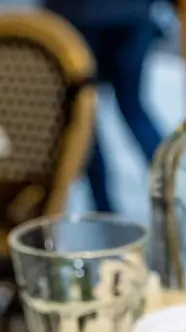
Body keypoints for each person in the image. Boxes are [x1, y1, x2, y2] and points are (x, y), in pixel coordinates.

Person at [43, 0, 163, 213]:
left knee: (84, 114)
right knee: (132, 109)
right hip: (129, 13)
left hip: (79, 16)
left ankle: (104, 211)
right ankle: (173, 192)